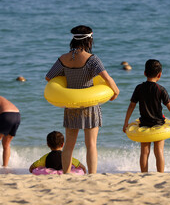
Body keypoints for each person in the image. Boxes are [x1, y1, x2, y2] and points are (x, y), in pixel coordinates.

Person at [45, 25, 119, 174]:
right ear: (89, 40)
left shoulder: (63, 59)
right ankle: (92, 174)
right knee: (91, 144)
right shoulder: (92, 60)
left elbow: (49, 77)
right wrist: (115, 92)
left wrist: (67, 78)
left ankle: (66, 173)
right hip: (89, 106)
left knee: (69, 145)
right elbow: (107, 78)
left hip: (71, 105)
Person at [123, 59, 170, 173]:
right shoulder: (161, 89)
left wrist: (126, 122)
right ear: (159, 74)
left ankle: (143, 174)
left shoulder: (139, 88)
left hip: (144, 123)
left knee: (144, 152)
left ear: (145, 73)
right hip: (159, 123)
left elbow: (131, 106)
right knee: (159, 151)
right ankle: (160, 174)